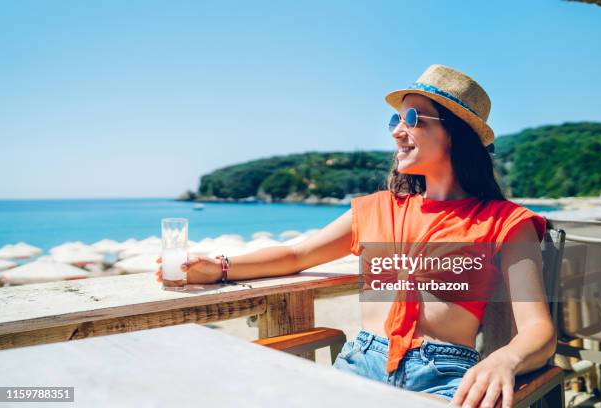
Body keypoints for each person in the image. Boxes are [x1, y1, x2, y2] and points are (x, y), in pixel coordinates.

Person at [156, 64, 556, 408]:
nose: (398, 132)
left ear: (455, 134)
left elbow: (538, 330)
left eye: (413, 119)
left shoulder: (505, 222)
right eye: (394, 121)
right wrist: (220, 268)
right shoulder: (376, 208)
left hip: (444, 376)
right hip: (359, 363)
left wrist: (505, 359)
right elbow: (297, 254)